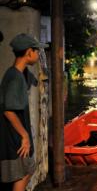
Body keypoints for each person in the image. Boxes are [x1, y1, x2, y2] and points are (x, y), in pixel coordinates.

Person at [0, 33, 48, 191]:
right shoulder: (16, 78)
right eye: (37, 51)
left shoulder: (14, 73)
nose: (38, 54)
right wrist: (25, 136)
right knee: (24, 171)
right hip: (15, 138)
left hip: (13, 136)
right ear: (29, 52)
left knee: (27, 170)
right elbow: (9, 111)